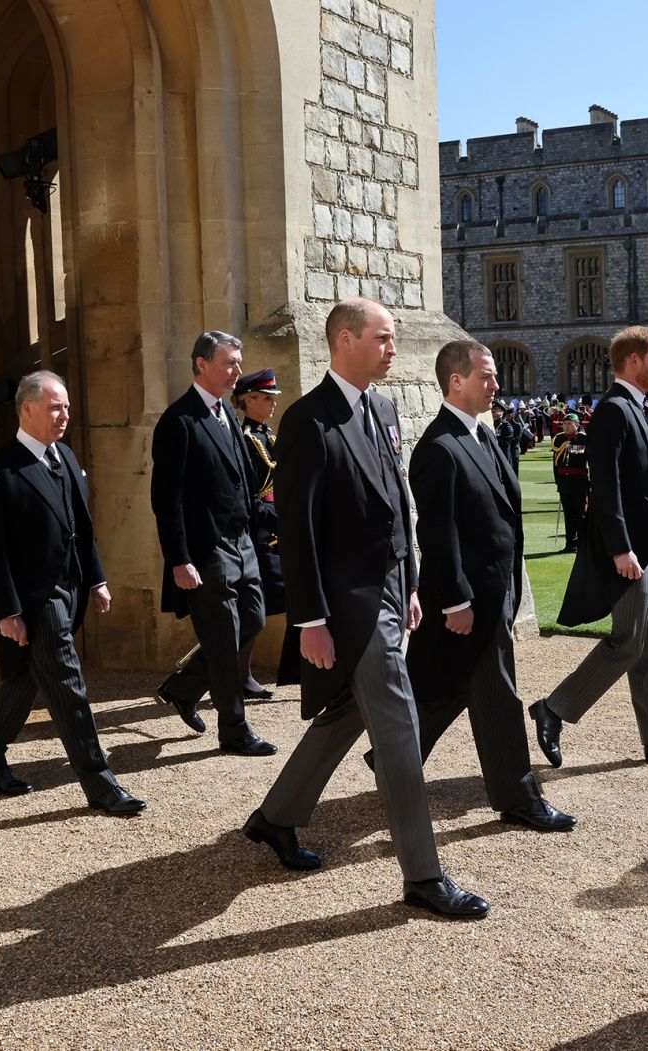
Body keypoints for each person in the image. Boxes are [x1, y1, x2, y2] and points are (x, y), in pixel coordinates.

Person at [246, 298, 488, 918]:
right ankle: (424, 876)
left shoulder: (381, 408)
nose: (392, 346)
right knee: (399, 723)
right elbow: (296, 530)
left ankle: (276, 817)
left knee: (351, 707)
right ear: (345, 339)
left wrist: (407, 583)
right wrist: (309, 620)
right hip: (345, 603)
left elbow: (394, 504)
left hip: (386, 593)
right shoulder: (307, 419)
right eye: (382, 337)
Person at [392, 341, 575, 830]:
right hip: (468, 598)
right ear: (456, 381)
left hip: (496, 592)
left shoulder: (482, 435)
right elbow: (438, 532)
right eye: (487, 376)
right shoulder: (438, 446)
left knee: (447, 687)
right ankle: (518, 798)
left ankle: (391, 761)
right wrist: (455, 600)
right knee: (498, 698)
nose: (497, 385)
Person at [0, 370, 145, 816]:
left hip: (71, 592)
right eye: (54, 406)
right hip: (35, 599)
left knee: (24, 679)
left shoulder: (64, 456)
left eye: (66, 406)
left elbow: (81, 528)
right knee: (69, 687)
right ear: (27, 410)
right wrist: (7, 611)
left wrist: (97, 579)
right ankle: (102, 788)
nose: (64, 414)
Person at [530, 325, 648, 767]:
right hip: (631, 549)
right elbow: (605, 487)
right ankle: (554, 709)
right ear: (633, 361)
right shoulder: (614, 408)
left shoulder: (637, 406)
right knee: (628, 642)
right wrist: (621, 548)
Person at [150, 331, 276, 757]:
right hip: (207, 551)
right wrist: (179, 559)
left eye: (239, 363)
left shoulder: (226, 416)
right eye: (229, 363)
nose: (236, 371)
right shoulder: (179, 421)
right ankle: (234, 730)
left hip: (242, 544)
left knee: (253, 621)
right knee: (223, 639)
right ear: (201, 365)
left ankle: (183, 689)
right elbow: (165, 501)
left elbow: (244, 484)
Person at [233, 367, 284, 699]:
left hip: (275, 530)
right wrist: (279, 519)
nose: (272, 405)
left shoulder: (266, 436)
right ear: (247, 401)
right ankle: (238, 675)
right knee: (253, 612)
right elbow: (249, 498)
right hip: (260, 534)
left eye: (272, 399)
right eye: (265, 399)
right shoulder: (247, 439)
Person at [552, 413, 589, 553]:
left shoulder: (584, 439)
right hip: (564, 482)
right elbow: (555, 463)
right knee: (568, 515)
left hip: (579, 481)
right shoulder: (559, 439)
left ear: (577, 425)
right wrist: (558, 482)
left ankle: (582, 544)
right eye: (565, 423)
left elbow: (590, 461)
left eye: (569, 423)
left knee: (580, 514)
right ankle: (570, 544)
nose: (566, 426)